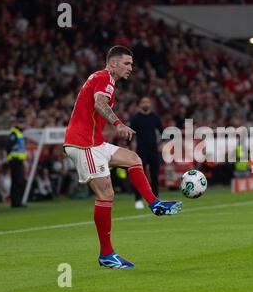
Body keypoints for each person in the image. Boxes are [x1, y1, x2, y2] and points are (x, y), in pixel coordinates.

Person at [63, 46, 182, 269]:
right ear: (113, 63)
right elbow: (99, 103)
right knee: (106, 194)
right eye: (127, 63)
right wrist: (118, 124)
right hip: (83, 144)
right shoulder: (104, 77)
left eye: (131, 64)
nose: (131, 68)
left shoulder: (104, 79)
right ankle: (107, 254)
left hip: (94, 143)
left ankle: (155, 204)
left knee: (133, 159)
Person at [130, 97, 163, 210]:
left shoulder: (155, 117)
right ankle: (138, 199)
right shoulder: (136, 118)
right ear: (140, 104)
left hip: (153, 149)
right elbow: (131, 134)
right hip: (141, 150)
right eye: (143, 102)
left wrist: (162, 144)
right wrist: (130, 148)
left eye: (148, 102)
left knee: (155, 176)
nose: (146, 104)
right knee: (139, 176)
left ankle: (155, 199)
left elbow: (163, 131)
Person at [6, 114, 27, 207]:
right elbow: (8, 147)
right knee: (16, 182)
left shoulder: (19, 133)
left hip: (19, 161)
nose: (23, 125)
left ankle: (17, 202)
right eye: (21, 123)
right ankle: (15, 203)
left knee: (18, 182)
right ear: (17, 123)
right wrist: (12, 158)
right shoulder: (14, 133)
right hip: (15, 161)